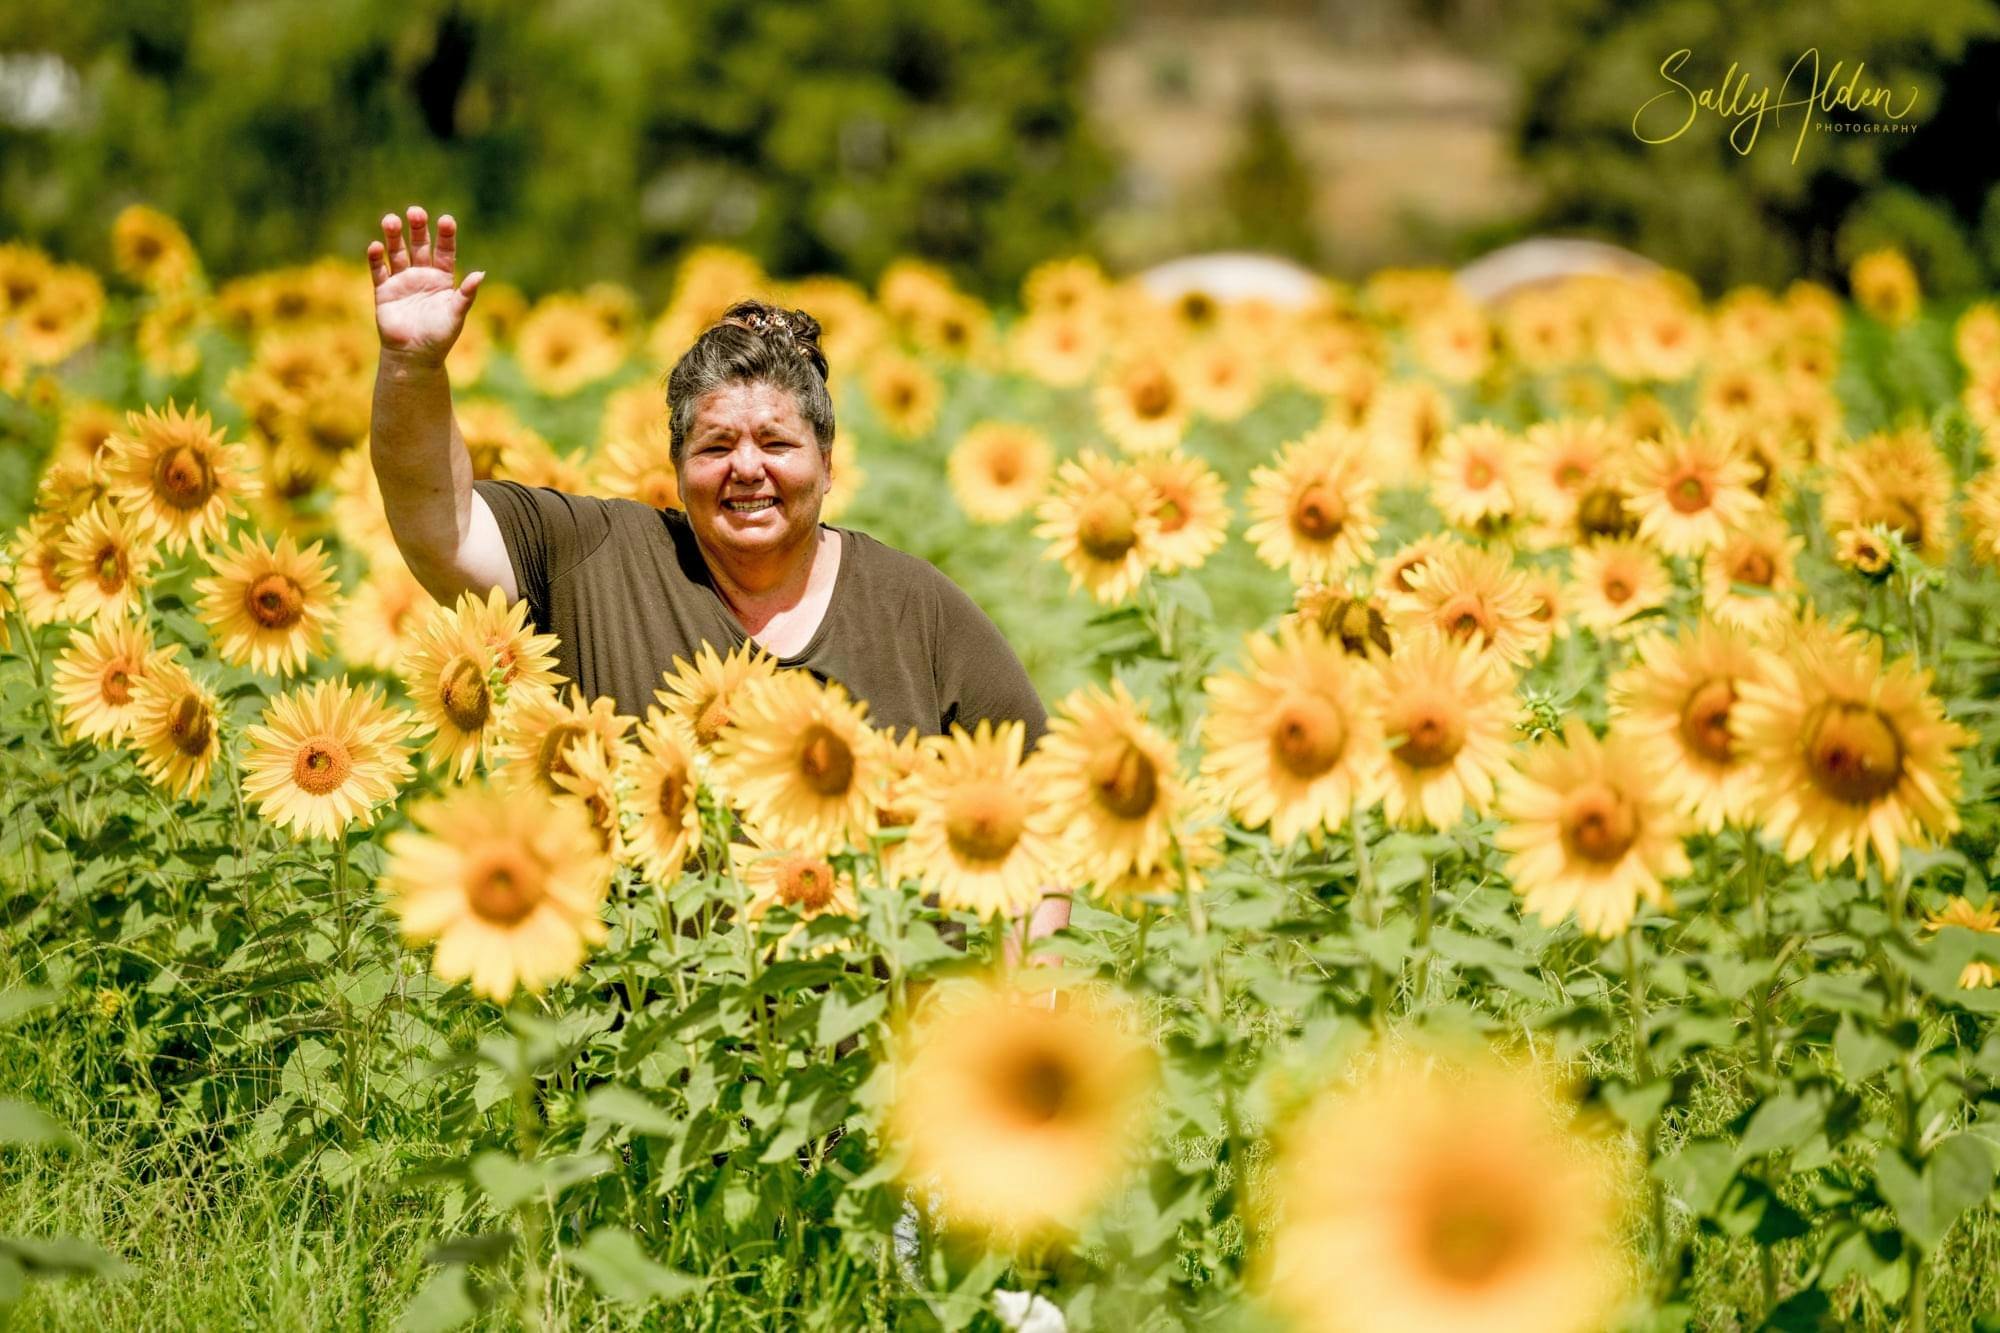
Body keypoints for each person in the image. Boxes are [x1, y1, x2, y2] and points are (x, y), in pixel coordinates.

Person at [365, 205, 1069, 945]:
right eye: (715, 445)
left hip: (883, 1047)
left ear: (828, 465)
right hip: (644, 1044)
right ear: (675, 468)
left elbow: (1047, 804)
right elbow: (437, 522)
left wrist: (1025, 991)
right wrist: (413, 365)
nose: (746, 467)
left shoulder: (913, 608)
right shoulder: (596, 557)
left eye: (775, 440)